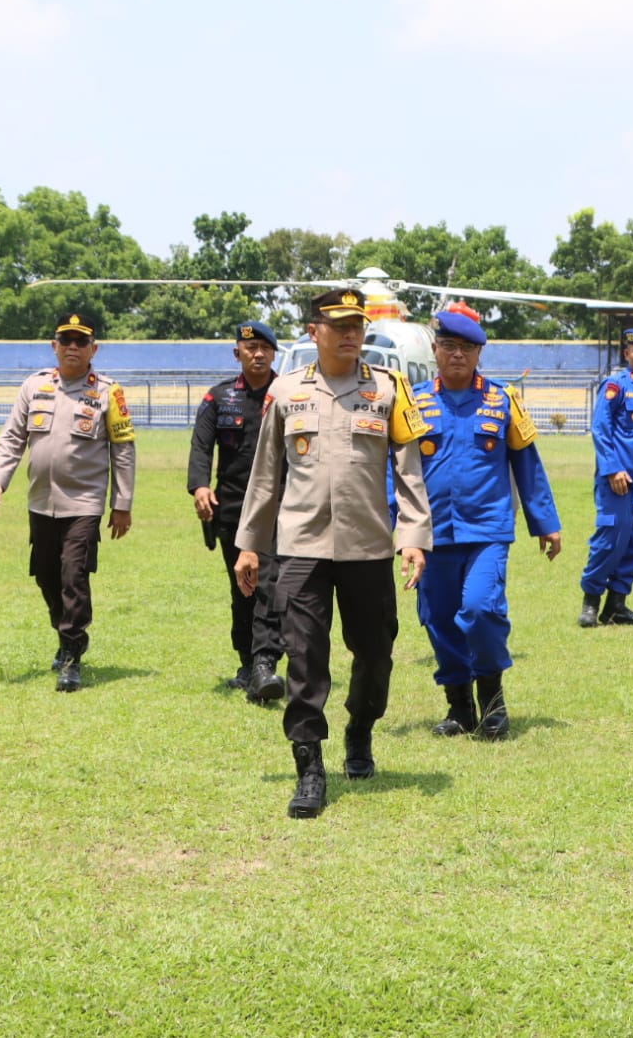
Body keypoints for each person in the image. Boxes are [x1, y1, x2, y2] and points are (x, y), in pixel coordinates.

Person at [233, 287, 432, 819]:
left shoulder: (389, 390)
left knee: (376, 652)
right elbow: (265, 476)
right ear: (314, 330)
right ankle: (309, 767)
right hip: (300, 549)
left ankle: (360, 728)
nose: (350, 333)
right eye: (338, 324)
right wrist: (250, 544)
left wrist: (412, 537)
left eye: (357, 324)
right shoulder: (286, 389)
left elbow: (409, 472)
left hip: (368, 548)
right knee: (304, 657)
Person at [409, 308, 562, 741]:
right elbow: (395, 470)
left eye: (468, 348)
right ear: (435, 349)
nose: (458, 355)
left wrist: (545, 523)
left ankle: (493, 701)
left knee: (479, 610)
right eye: (450, 346)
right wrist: (401, 528)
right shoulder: (414, 402)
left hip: (488, 529)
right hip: (431, 531)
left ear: (479, 354)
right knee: (437, 617)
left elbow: (526, 463)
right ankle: (459, 708)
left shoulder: (502, 400)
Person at [0, 313, 135, 693]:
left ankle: (71, 656)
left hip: (84, 502)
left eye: (80, 341)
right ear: (54, 346)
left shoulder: (108, 392)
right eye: (65, 340)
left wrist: (122, 503)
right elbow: (12, 437)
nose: (72, 346)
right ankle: (65, 632)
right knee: (46, 575)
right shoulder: (34, 386)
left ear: (93, 349)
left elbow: (124, 450)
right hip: (41, 501)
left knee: (73, 576)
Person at [187, 319, 285, 703]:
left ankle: (265, 663)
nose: (257, 354)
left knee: (268, 585)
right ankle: (247, 662)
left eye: (264, 348)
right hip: (231, 509)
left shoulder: (288, 394)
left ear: (274, 353)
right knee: (241, 588)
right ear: (237, 353)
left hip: (280, 508)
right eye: (250, 348)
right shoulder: (218, 398)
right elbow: (201, 447)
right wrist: (200, 486)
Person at [578, 327, 633, 627]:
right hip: (617, 481)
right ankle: (591, 601)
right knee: (610, 539)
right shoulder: (616, 386)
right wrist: (612, 468)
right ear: (627, 354)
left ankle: (616, 606)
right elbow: (601, 429)